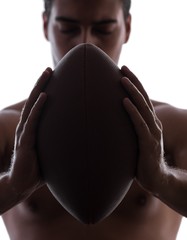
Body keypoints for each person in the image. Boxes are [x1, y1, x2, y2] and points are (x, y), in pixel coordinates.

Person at [1, 0, 187, 239]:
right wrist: (12, 186)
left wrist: (164, 180)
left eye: (104, 30)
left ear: (127, 28)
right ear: (46, 25)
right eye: (68, 29)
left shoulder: (171, 129)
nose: (85, 43)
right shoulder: (9, 131)